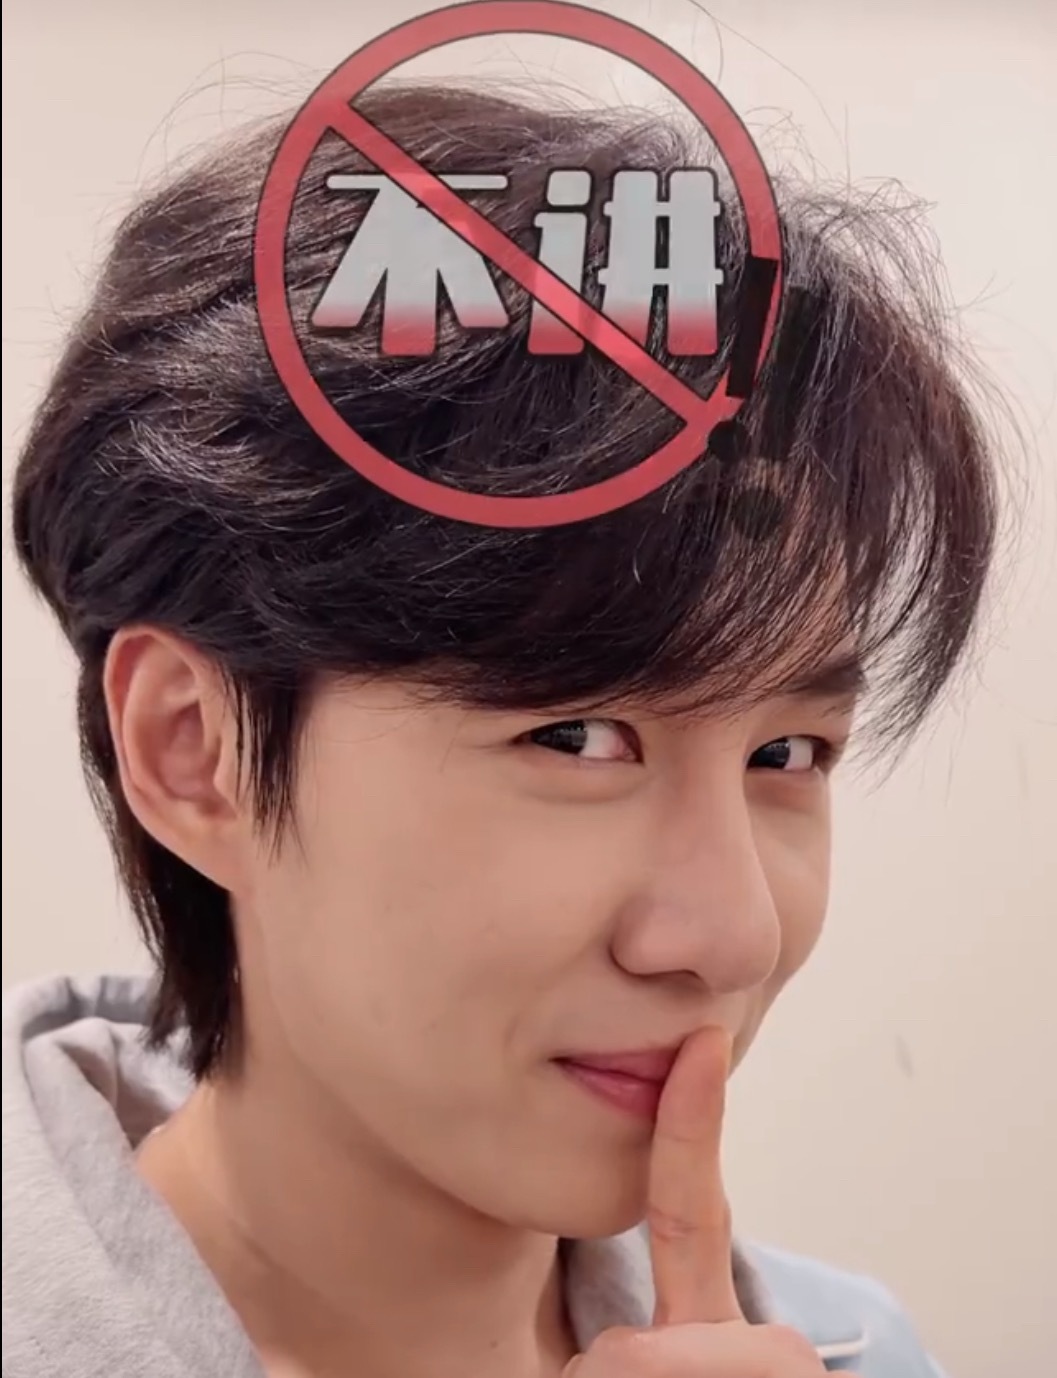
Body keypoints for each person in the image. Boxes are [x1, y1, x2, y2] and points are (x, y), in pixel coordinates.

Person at [2, 81, 999, 1378]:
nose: (733, 934)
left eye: (784, 755)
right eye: (578, 738)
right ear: (195, 751)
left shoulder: (856, 1351)